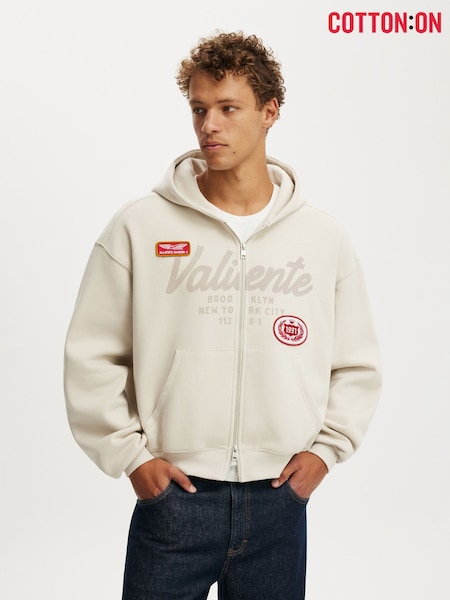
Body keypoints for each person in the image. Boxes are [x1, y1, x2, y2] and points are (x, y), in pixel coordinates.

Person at [64, 31, 381, 600]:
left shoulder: (321, 237)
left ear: (269, 112)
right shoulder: (141, 226)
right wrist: (132, 458)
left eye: (228, 108)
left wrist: (325, 451)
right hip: (175, 497)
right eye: (199, 109)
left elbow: (356, 363)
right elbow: (93, 355)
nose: (209, 125)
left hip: (279, 498)